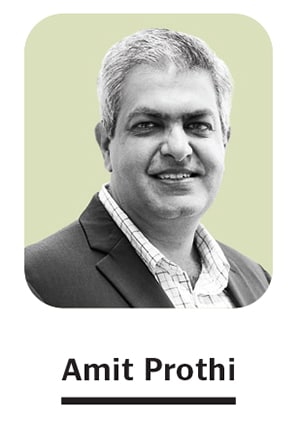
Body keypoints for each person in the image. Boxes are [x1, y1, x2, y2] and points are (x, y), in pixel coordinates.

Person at [25, 28, 270, 308]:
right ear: (106, 145)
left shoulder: (259, 284)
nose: (178, 148)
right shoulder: (31, 283)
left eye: (198, 125)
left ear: (224, 141)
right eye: (147, 125)